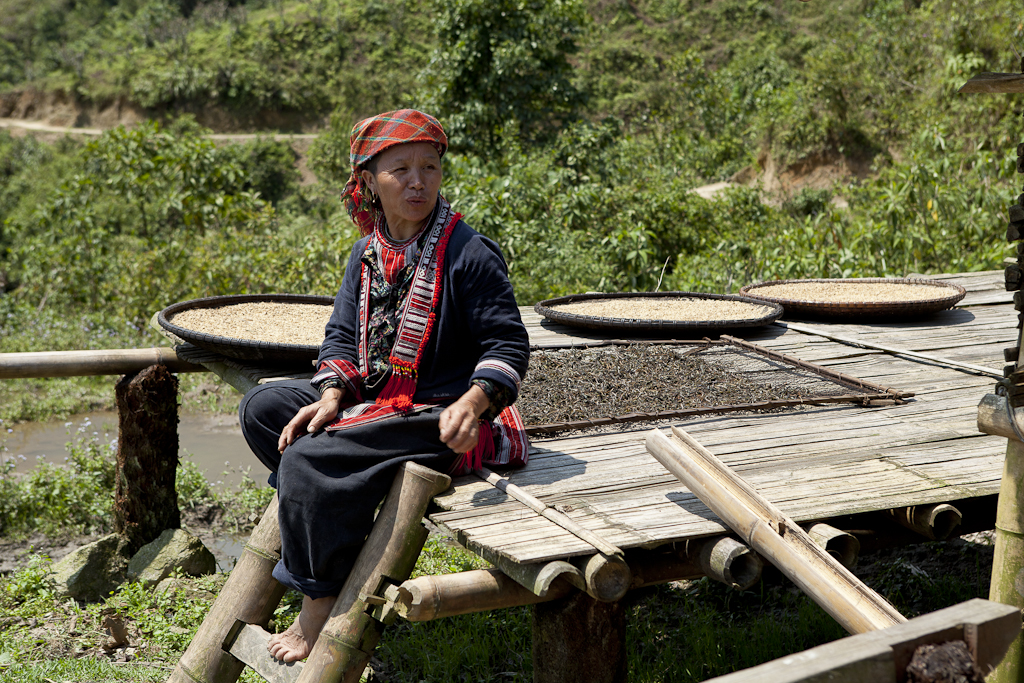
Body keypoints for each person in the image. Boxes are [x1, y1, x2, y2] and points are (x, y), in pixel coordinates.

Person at [238, 109, 530, 663]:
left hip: (438, 412)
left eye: (430, 167)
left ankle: (318, 606)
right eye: (401, 170)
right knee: (263, 407)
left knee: (305, 465)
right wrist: (330, 395)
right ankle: (336, 506)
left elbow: (509, 345)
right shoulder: (367, 251)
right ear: (369, 181)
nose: (418, 181)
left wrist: (476, 400)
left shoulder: (468, 252)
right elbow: (342, 336)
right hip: (376, 400)